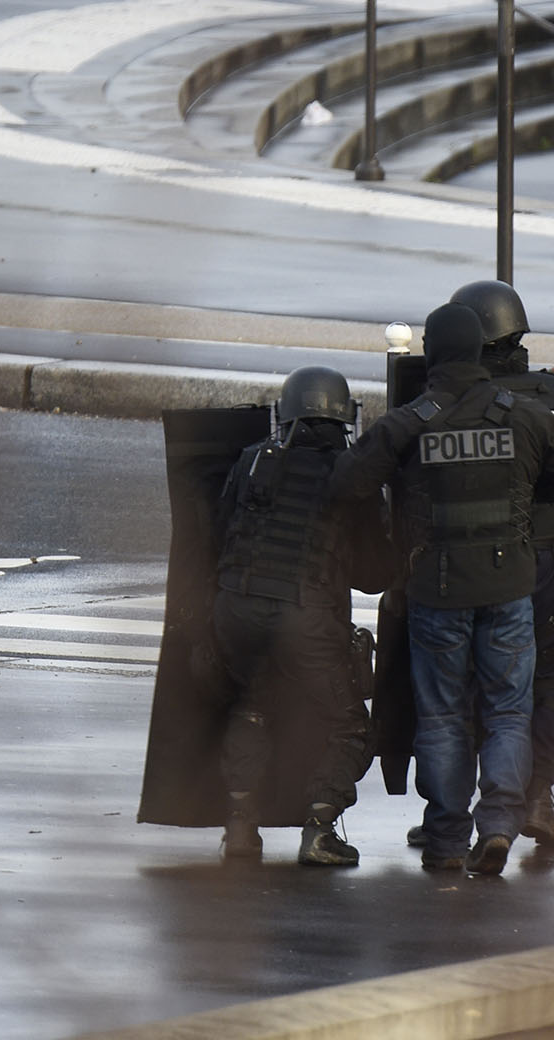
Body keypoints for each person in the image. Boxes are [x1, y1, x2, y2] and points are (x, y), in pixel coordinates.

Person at [330, 303, 554, 877]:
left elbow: (346, 482)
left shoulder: (411, 420)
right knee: (508, 711)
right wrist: (524, 482)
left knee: (445, 716)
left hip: (438, 591)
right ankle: (499, 825)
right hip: (509, 588)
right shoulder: (521, 414)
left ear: (433, 354)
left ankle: (448, 839)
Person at [450, 279, 554, 847]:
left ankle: (451, 817)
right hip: (537, 561)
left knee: (459, 686)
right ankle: (537, 799)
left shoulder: (449, 393)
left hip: (457, 563)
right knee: (541, 683)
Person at [211, 366, 388, 867]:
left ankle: (241, 827)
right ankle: (319, 829)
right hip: (303, 619)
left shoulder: (250, 461)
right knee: (350, 726)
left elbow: (220, 533)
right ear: (344, 418)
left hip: (236, 610)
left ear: (284, 415)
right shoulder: (351, 472)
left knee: (251, 707)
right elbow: (376, 574)